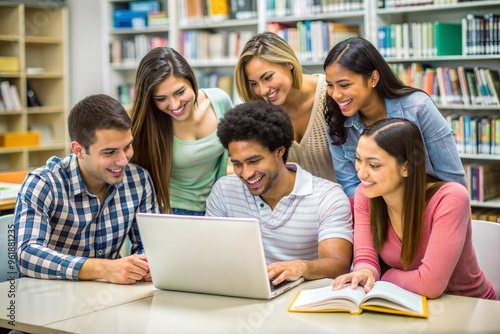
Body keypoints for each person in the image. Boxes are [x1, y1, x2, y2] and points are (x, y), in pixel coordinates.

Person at [332, 118, 497, 300]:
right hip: (411, 303)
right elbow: (366, 259)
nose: (361, 173)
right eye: (358, 160)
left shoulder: (450, 198)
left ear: (406, 167)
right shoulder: (366, 195)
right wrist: (365, 272)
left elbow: (430, 285)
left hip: (470, 306)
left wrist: (385, 277)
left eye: (374, 165)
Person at [14, 94, 158, 284]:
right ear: (78, 150)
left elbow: (150, 246)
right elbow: (26, 255)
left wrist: (145, 265)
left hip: (107, 297)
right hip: (49, 297)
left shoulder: (138, 179)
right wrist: (103, 268)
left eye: (127, 146)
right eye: (110, 152)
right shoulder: (43, 184)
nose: (123, 160)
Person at [206, 100, 353, 286]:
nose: (246, 173)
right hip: (241, 293)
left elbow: (338, 264)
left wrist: (301, 267)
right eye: (237, 164)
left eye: (254, 161)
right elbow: (211, 253)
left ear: (279, 151)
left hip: (300, 299)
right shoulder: (224, 191)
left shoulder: (327, 197)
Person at [324, 37, 466, 198]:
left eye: (344, 85)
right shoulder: (337, 121)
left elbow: (454, 183)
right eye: (330, 85)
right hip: (374, 214)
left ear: (373, 78)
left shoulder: (418, 108)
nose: (335, 94)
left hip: (427, 207)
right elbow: (350, 188)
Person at [131, 47, 233, 215]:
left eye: (180, 92)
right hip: (172, 211)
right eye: (161, 99)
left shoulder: (220, 101)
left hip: (218, 207)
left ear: (191, 80)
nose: (175, 105)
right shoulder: (151, 125)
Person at [234, 32, 336, 182]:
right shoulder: (261, 114)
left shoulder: (332, 94)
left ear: (289, 63)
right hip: (292, 203)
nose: (262, 91)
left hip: (344, 201)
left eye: (268, 77)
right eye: (254, 84)